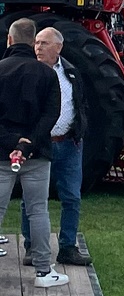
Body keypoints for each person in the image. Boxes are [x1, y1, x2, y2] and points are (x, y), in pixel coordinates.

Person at [0, 19, 65, 287]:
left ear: (10, 40)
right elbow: (52, 114)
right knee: (38, 211)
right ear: (32, 42)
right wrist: (27, 144)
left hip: (1, 153)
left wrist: (12, 141)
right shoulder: (48, 75)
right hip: (36, 155)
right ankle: (43, 272)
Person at [20, 27, 91, 266]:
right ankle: (31, 247)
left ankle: (68, 247)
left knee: (72, 197)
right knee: (31, 198)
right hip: (40, 145)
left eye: (44, 43)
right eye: (36, 43)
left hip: (68, 143)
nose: (38, 47)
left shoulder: (70, 72)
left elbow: (80, 102)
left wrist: (78, 130)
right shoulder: (29, 71)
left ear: (58, 47)